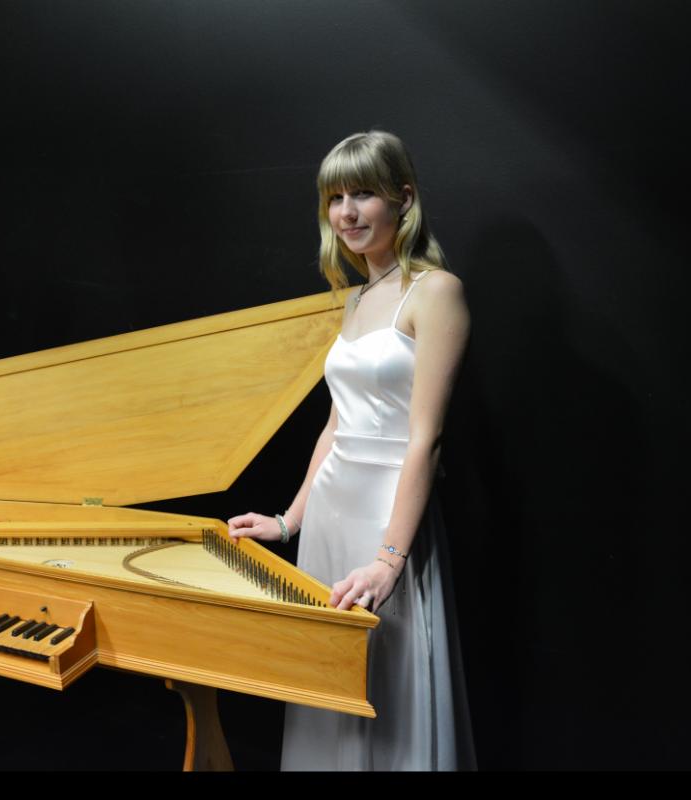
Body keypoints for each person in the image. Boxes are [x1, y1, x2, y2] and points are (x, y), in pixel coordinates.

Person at [228, 131, 475, 770]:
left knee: (387, 692)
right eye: (335, 198)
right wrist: (290, 520)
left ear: (403, 198)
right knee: (329, 686)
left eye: (362, 193)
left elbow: (426, 439)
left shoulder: (436, 291)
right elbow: (336, 427)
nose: (347, 212)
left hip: (388, 522)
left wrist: (389, 561)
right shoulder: (357, 297)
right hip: (331, 516)